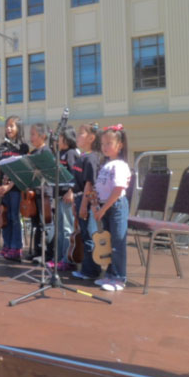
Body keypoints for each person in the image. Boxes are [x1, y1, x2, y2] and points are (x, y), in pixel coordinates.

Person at [93, 124, 131, 292]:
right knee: (108, 242)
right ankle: (109, 274)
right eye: (103, 144)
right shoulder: (106, 165)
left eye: (109, 143)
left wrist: (103, 209)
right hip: (105, 206)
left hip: (116, 206)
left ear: (119, 145)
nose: (105, 147)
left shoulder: (120, 165)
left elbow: (117, 190)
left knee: (117, 242)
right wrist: (96, 206)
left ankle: (119, 278)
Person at [71, 122, 104, 281]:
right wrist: (75, 203)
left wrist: (84, 205)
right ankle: (87, 268)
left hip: (87, 201)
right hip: (79, 198)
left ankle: (91, 270)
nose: (77, 137)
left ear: (91, 138)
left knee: (89, 235)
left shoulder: (92, 158)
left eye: (81, 133)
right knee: (84, 234)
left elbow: (89, 184)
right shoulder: (84, 156)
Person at [0, 115, 29, 261]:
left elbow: (22, 170)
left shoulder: (23, 147)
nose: (8, 129)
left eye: (12, 126)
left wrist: (9, 186)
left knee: (14, 217)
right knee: (5, 218)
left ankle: (16, 247)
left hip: (15, 189)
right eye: (7, 126)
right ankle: (7, 245)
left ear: (18, 128)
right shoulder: (2, 146)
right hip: (2, 190)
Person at [46, 125, 80, 272]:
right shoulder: (59, 153)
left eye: (59, 137)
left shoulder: (71, 154)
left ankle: (67, 259)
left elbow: (75, 175)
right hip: (59, 195)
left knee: (67, 229)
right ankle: (58, 258)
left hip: (67, 196)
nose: (56, 140)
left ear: (66, 138)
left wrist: (71, 191)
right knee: (59, 229)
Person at [27, 123, 54, 263]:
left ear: (43, 136)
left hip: (45, 193)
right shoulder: (32, 153)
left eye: (33, 134)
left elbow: (48, 172)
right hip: (34, 193)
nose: (30, 137)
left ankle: (47, 254)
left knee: (46, 223)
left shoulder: (47, 152)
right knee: (36, 223)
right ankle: (37, 251)